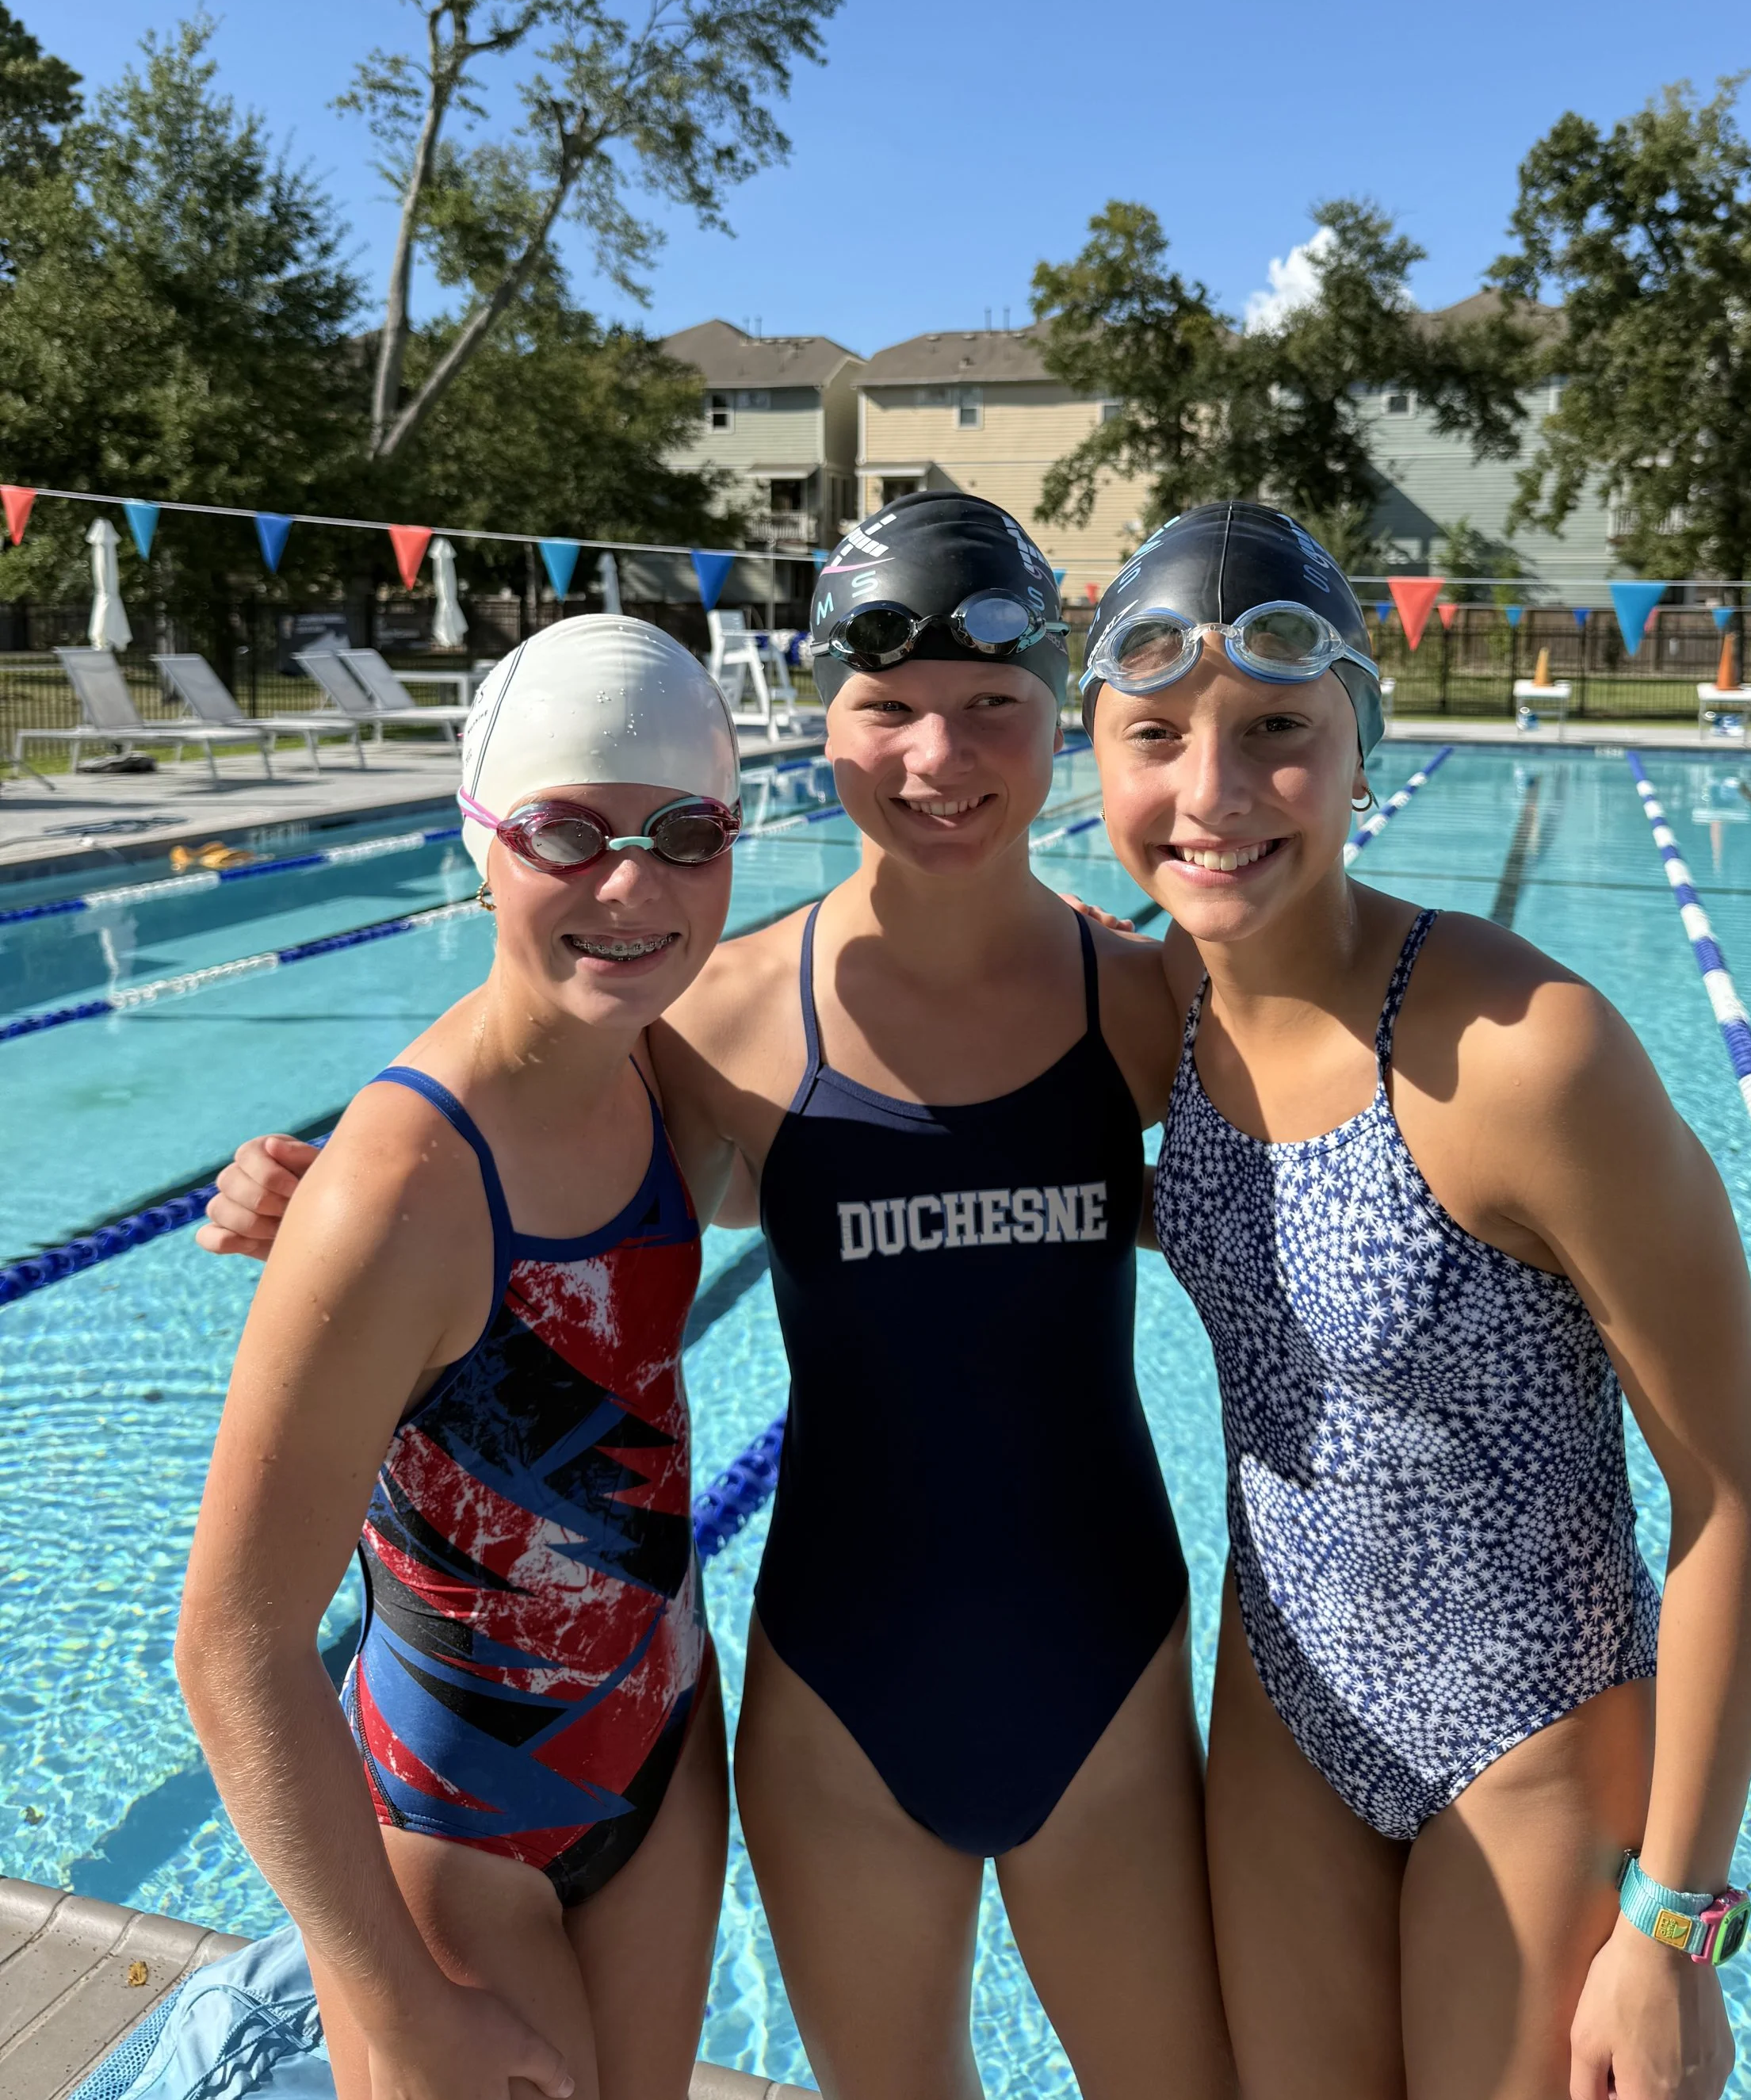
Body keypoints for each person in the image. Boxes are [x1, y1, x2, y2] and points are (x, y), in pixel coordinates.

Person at [199, 493, 1237, 2100]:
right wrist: (325, 1200)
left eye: (989, 710)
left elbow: (1314, 1179)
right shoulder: (723, 1023)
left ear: (1062, 724)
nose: (936, 759)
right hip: (834, 1706)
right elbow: (532, 1213)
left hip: (1101, 1676)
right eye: (883, 709)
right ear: (816, 731)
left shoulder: (1151, 1002)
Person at [1078, 502, 1751, 2100]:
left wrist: (1672, 1924)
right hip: (1285, 1715)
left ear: (1358, 742)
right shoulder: (1152, 1019)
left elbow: (1737, 1488)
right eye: (1153, 737)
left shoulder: (1525, 1056)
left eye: (1273, 730)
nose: (1209, 794)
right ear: (1098, 758)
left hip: (1528, 1737)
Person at [178, 617, 741, 2100]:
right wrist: (403, 2003)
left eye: (688, 832)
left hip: (668, 1757)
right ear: (481, 844)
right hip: (458, 1817)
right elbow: (233, 1649)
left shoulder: (659, 1060)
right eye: (569, 830)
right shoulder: (400, 1188)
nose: (634, 884)